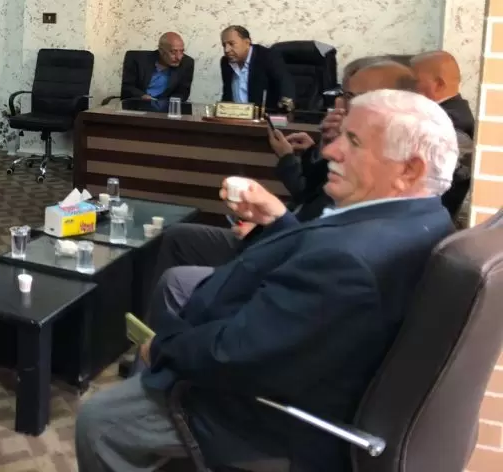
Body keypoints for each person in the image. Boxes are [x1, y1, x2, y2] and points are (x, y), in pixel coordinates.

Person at [76, 89, 457, 472]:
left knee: (100, 421)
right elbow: (312, 272)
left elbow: (234, 353)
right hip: (288, 371)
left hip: (269, 415)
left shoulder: (352, 261)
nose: (330, 151)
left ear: (409, 170)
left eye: (353, 141)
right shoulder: (419, 218)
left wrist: (162, 347)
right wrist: (278, 222)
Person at [144, 59, 418, 323]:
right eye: (343, 95)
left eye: (350, 96)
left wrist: (287, 166)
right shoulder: (350, 147)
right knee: (178, 236)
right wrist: (318, 149)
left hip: (283, 258)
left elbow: (312, 229)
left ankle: (163, 345)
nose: (340, 104)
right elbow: (312, 196)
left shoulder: (381, 170)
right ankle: (146, 333)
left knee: (177, 281)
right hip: (281, 237)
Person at [218, 25, 294, 111]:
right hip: (235, 116)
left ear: (247, 42)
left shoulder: (268, 57)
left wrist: (286, 105)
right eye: (224, 45)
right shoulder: (226, 62)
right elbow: (227, 95)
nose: (226, 50)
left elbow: (285, 84)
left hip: (263, 116)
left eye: (231, 44)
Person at [411, 50, 475, 136]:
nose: (407, 87)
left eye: (414, 81)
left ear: (439, 84)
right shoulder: (455, 114)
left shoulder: (443, 121)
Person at [120, 32, 195, 102]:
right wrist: (143, 96)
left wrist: (166, 103)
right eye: (173, 52)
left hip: (166, 107)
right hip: (139, 104)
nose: (179, 57)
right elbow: (127, 87)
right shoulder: (138, 60)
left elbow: (183, 92)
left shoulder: (186, 63)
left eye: (181, 51)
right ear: (161, 51)